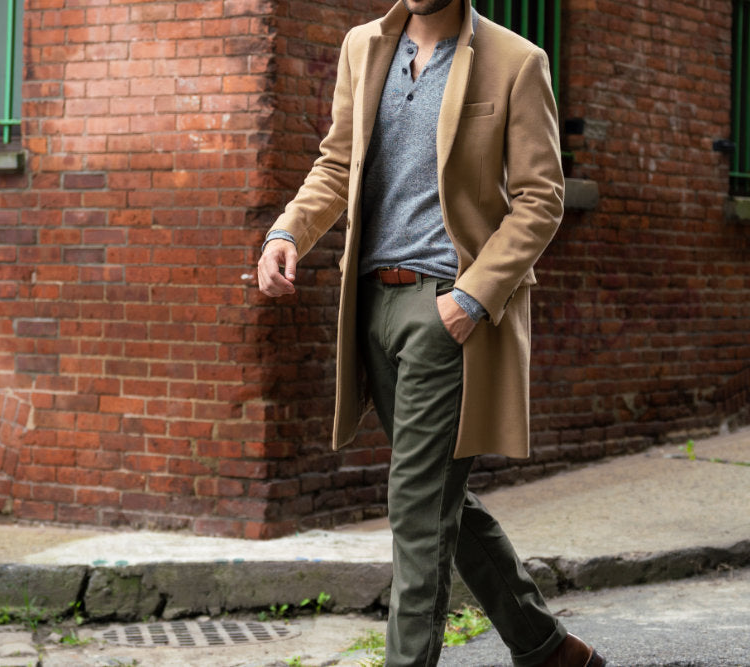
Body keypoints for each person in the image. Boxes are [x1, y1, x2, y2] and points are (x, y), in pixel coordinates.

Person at [256, 1, 604, 665]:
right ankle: (548, 649)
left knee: (416, 509)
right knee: (439, 496)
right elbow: (337, 164)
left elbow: (541, 198)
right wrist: (287, 232)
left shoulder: (516, 61)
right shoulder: (363, 47)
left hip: (447, 310)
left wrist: (471, 298)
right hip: (371, 309)